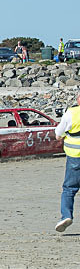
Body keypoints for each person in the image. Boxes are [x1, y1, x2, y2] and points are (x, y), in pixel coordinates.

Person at [54, 92, 80, 232]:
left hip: (75, 157)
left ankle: (66, 215)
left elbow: (58, 134)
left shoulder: (71, 113)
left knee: (69, 189)